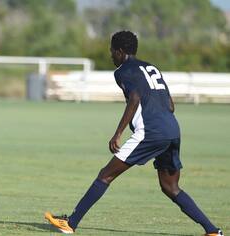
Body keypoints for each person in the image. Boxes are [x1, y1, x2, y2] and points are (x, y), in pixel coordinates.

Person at [44, 31, 223, 236]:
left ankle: (71, 223)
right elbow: (171, 106)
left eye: (112, 51)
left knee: (105, 175)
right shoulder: (151, 67)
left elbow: (135, 98)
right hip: (172, 130)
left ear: (120, 51)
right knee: (170, 187)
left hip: (150, 132)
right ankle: (212, 231)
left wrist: (117, 133)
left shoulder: (122, 72)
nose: (111, 55)